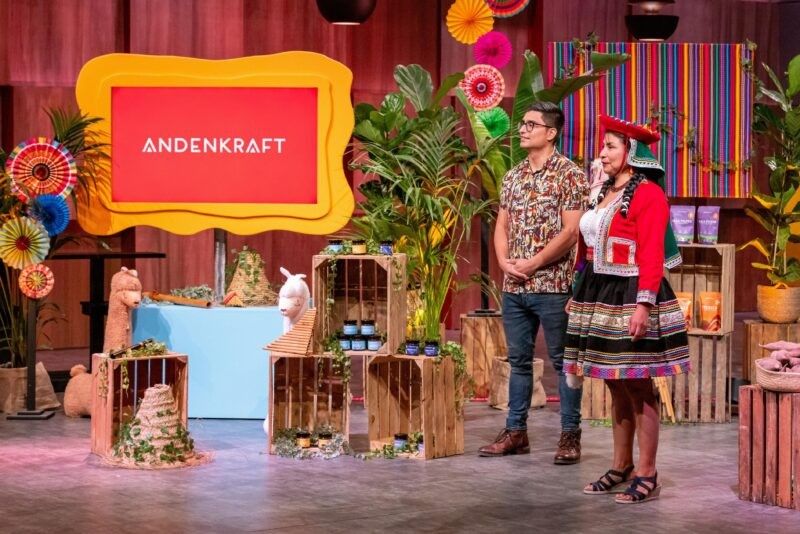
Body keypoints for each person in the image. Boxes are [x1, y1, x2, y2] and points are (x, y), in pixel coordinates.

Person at [563, 115, 690, 503]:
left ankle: (647, 472)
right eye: (603, 146)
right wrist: (577, 290)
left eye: (611, 147)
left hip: (631, 291)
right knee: (614, 381)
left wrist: (643, 305)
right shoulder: (601, 191)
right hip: (598, 291)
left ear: (632, 153)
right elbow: (586, 247)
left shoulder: (648, 194)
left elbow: (651, 252)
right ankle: (621, 465)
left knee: (637, 384)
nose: (602, 153)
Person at [478, 102, 589, 464]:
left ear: (551, 132)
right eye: (522, 124)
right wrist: (503, 262)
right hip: (515, 288)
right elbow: (502, 224)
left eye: (531, 124)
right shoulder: (514, 176)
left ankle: (570, 435)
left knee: (564, 361)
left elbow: (571, 232)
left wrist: (535, 262)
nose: (523, 129)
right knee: (519, 361)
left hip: (553, 286)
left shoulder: (570, 175)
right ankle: (516, 432)